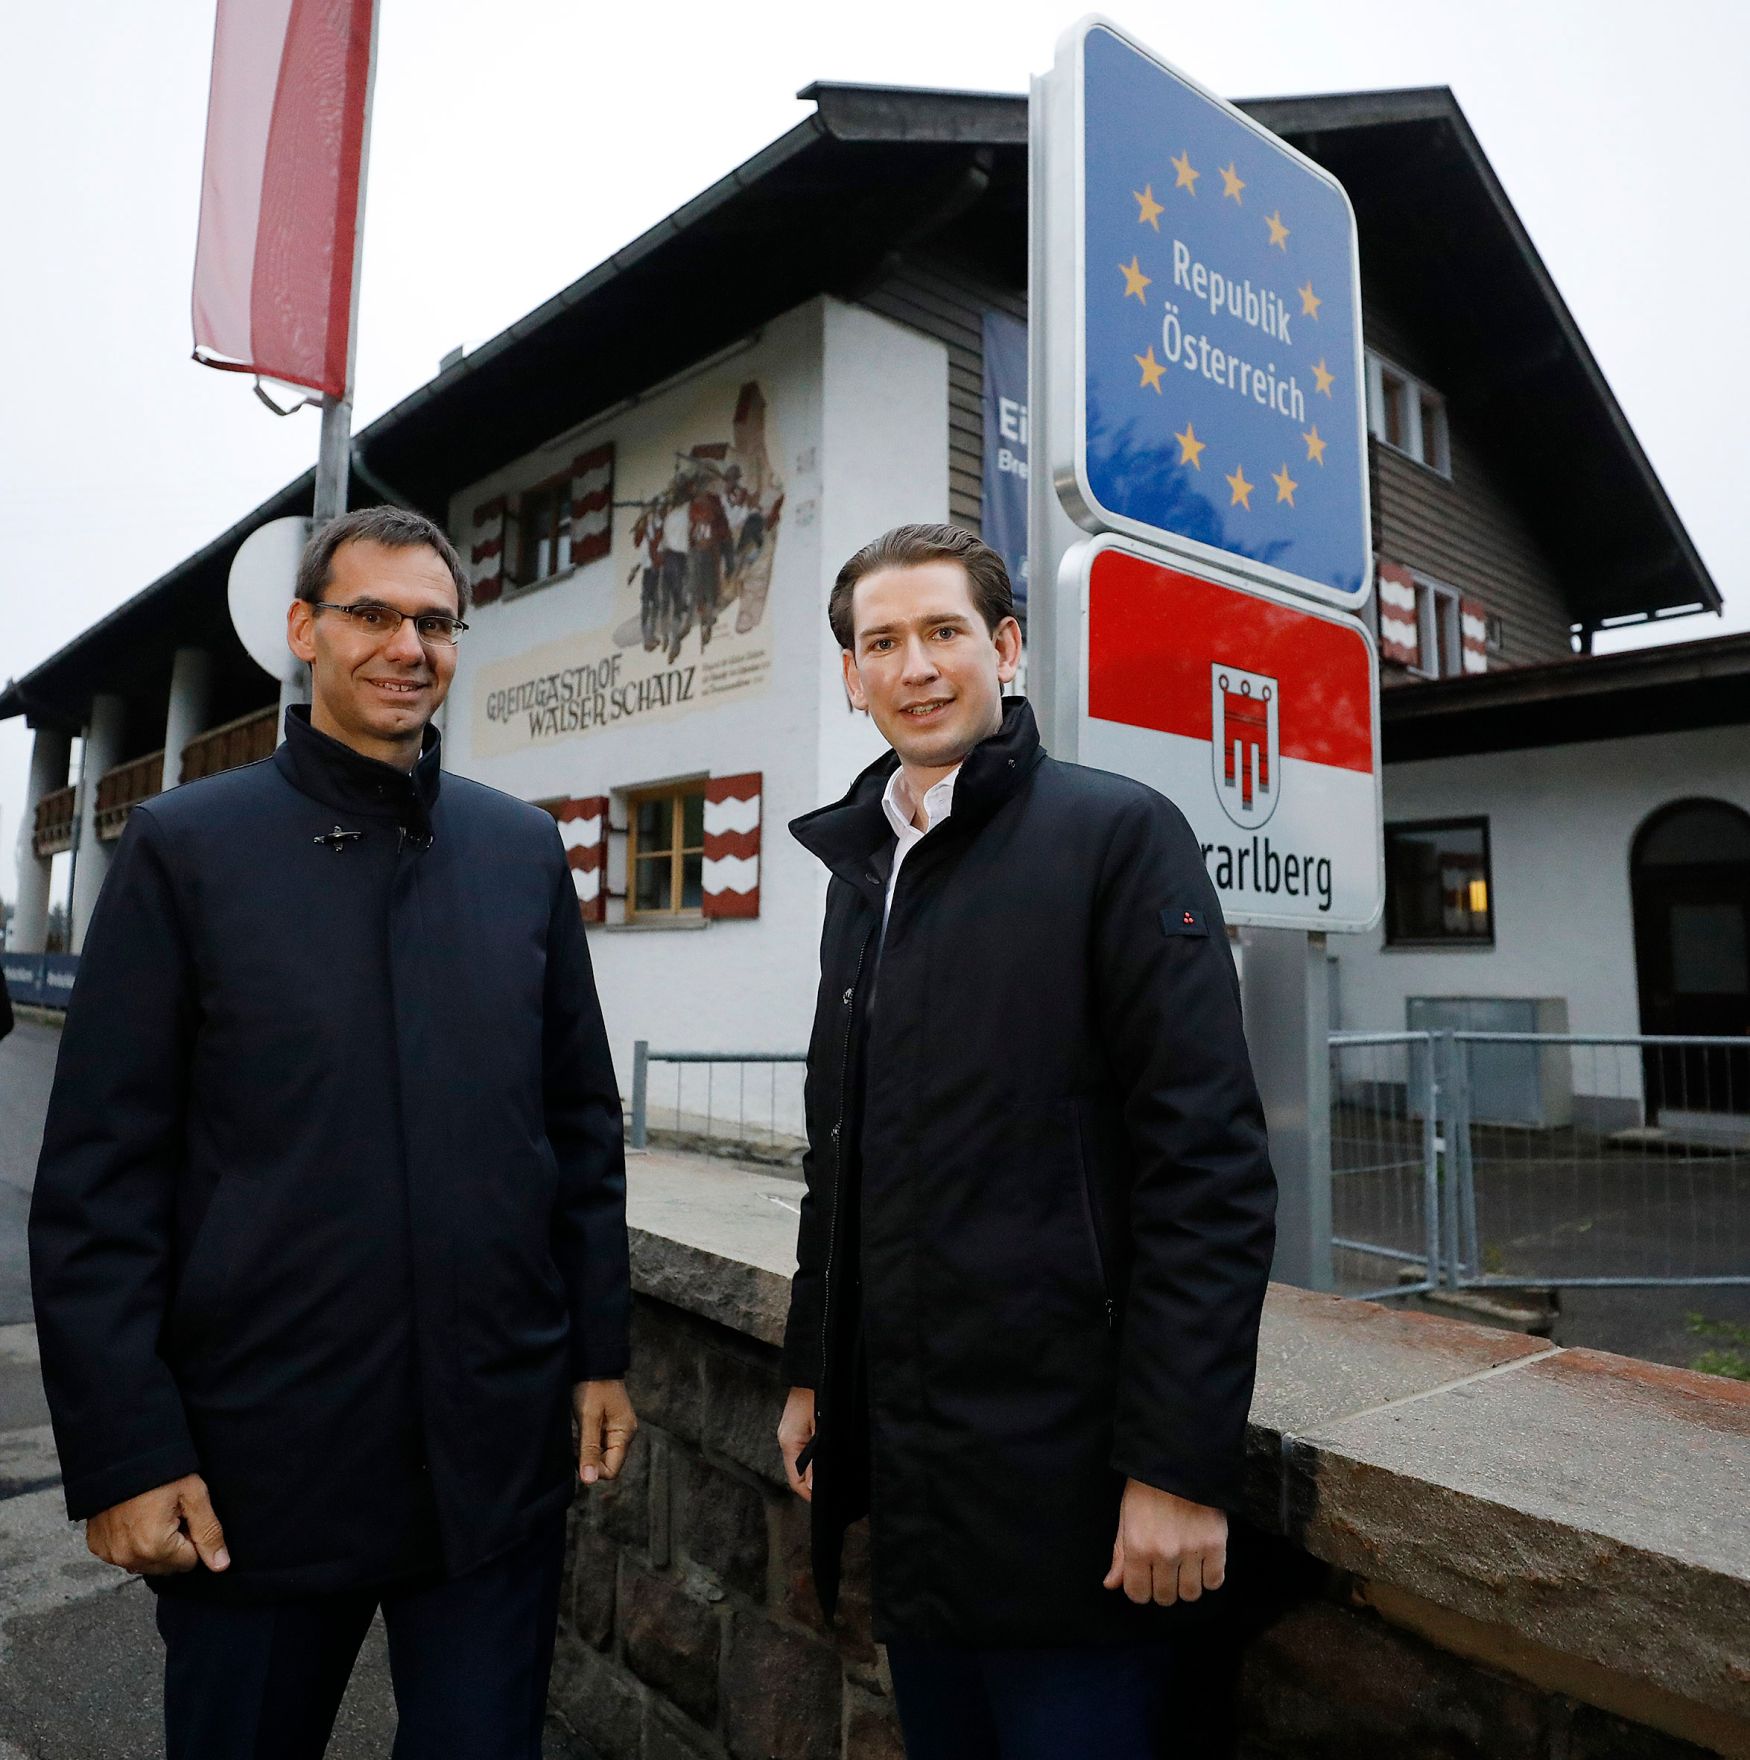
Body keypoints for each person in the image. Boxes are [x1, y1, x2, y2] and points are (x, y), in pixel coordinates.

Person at [30, 505, 636, 1760]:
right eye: (371, 612)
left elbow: (577, 1124)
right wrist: (126, 1451)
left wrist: (596, 1353)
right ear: (304, 630)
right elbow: (100, 1179)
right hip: (257, 1469)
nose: (405, 644)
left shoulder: (519, 851)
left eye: (433, 621)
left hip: (488, 1466)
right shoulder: (187, 847)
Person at [774, 523, 1276, 1759]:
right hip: (917, 1479)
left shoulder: (1116, 835)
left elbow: (1206, 1166)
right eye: (880, 642)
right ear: (851, 675)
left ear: (1002, 646)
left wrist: (1177, 1464)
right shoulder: (865, 870)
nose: (915, 666)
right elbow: (838, 1156)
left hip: (1080, 1490)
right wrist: (810, 1370)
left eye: (943, 631)